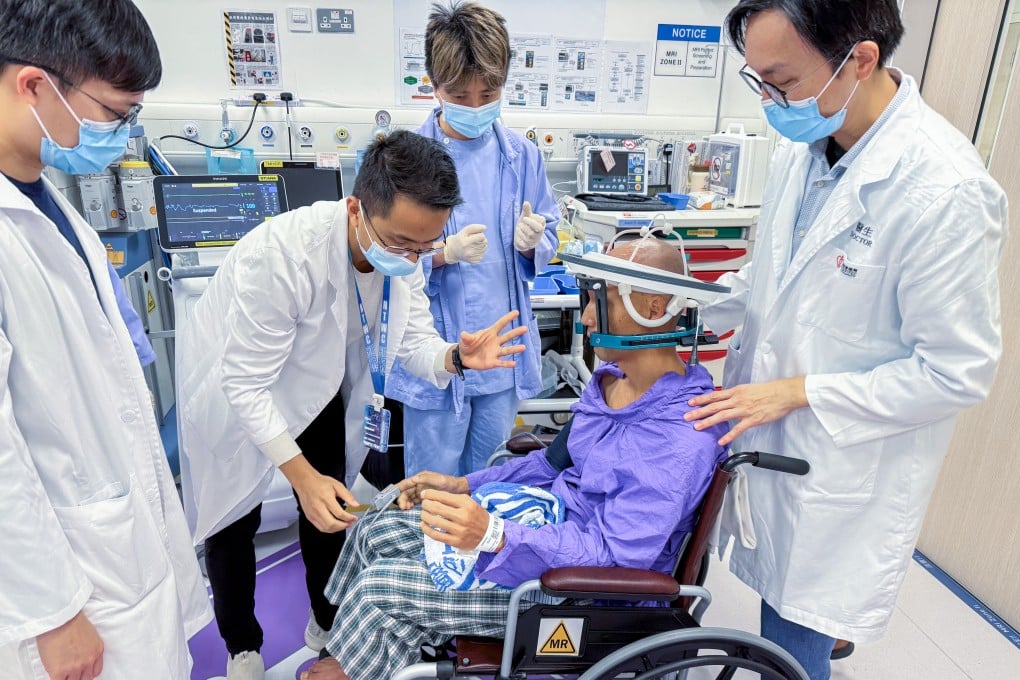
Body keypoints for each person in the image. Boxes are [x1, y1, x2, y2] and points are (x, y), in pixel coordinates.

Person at [684, 2, 1007, 678]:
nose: (772, 103)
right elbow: (769, 277)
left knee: (794, 650)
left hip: (838, 475)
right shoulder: (803, 150)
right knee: (778, 620)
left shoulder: (944, 190)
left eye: (783, 82)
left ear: (860, 60)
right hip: (776, 448)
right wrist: (672, 310)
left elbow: (957, 371)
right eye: (759, 83)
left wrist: (800, 392)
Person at [177, 129, 530, 680]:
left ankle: (325, 624)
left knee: (329, 509)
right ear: (356, 208)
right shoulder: (283, 257)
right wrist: (298, 475)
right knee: (233, 521)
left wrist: (455, 358)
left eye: (424, 247)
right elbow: (244, 384)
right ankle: (242, 646)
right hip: (238, 388)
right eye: (401, 243)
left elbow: (414, 343)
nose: (413, 257)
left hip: (318, 388)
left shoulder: (403, 252)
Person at [299, 238, 730, 680]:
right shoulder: (611, 382)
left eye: (601, 300)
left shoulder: (678, 439)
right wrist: (462, 486)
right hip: (546, 532)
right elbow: (548, 466)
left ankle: (357, 658)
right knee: (377, 526)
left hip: (579, 591)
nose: (584, 317)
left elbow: (614, 557)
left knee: (380, 590)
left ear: (655, 308)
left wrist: (496, 536)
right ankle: (358, 650)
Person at [0, 1, 212, 678]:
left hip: (117, 553)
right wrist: (53, 613)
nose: (123, 136)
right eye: (116, 115)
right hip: (60, 596)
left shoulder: (48, 203)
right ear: (34, 84)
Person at [388, 1, 561, 478]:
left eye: (490, 93)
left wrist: (532, 241)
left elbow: (549, 230)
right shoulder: (404, 160)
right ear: (434, 86)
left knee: (488, 479)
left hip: (500, 353)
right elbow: (379, 257)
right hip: (436, 352)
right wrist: (442, 254)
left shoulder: (521, 156)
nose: (477, 107)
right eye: (460, 96)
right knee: (433, 487)